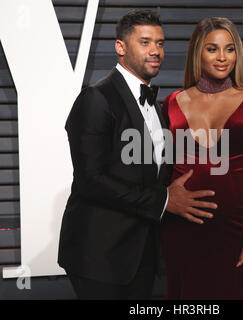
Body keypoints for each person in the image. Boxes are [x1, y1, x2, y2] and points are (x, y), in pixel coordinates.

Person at [57, 9, 217, 300]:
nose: (155, 51)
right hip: (99, 256)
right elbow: (91, 181)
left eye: (160, 43)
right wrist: (166, 199)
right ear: (121, 47)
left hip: (143, 254)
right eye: (145, 42)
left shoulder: (156, 107)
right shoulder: (96, 99)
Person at [160, 17, 243, 299]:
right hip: (181, 230)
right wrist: (166, 199)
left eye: (229, 49)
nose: (222, 57)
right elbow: (164, 169)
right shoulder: (173, 102)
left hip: (237, 234)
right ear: (197, 53)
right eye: (212, 49)